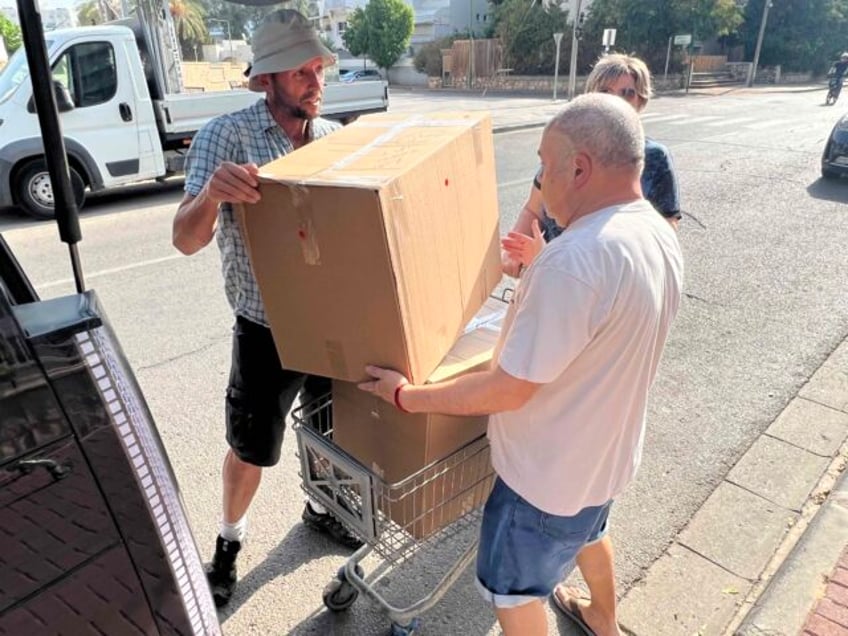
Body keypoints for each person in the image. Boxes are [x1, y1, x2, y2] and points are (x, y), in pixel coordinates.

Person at [360, 93, 684, 636]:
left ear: (579, 168)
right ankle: (604, 618)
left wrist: (406, 396)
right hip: (605, 462)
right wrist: (540, 271)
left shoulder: (575, 261)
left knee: (512, 595)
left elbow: (507, 389)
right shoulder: (654, 232)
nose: (539, 180)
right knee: (589, 533)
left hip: (544, 483)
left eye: (543, 164)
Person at [172, 9, 361, 608]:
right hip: (266, 327)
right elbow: (184, 238)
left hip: (331, 321)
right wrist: (211, 193)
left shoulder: (330, 137)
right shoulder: (226, 137)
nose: (314, 79)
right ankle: (228, 543)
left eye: (318, 68)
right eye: (300, 71)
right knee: (252, 447)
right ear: (268, 79)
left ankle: (321, 508)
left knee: (331, 437)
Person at [501, 53, 681, 278]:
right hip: (550, 272)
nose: (616, 101)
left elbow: (666, 229)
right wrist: (514, 252)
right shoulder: (565, 147)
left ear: (640, 101)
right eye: (605, 92)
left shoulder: (654, 158)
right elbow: (533, 208)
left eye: (628, 93)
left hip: (603, 283)